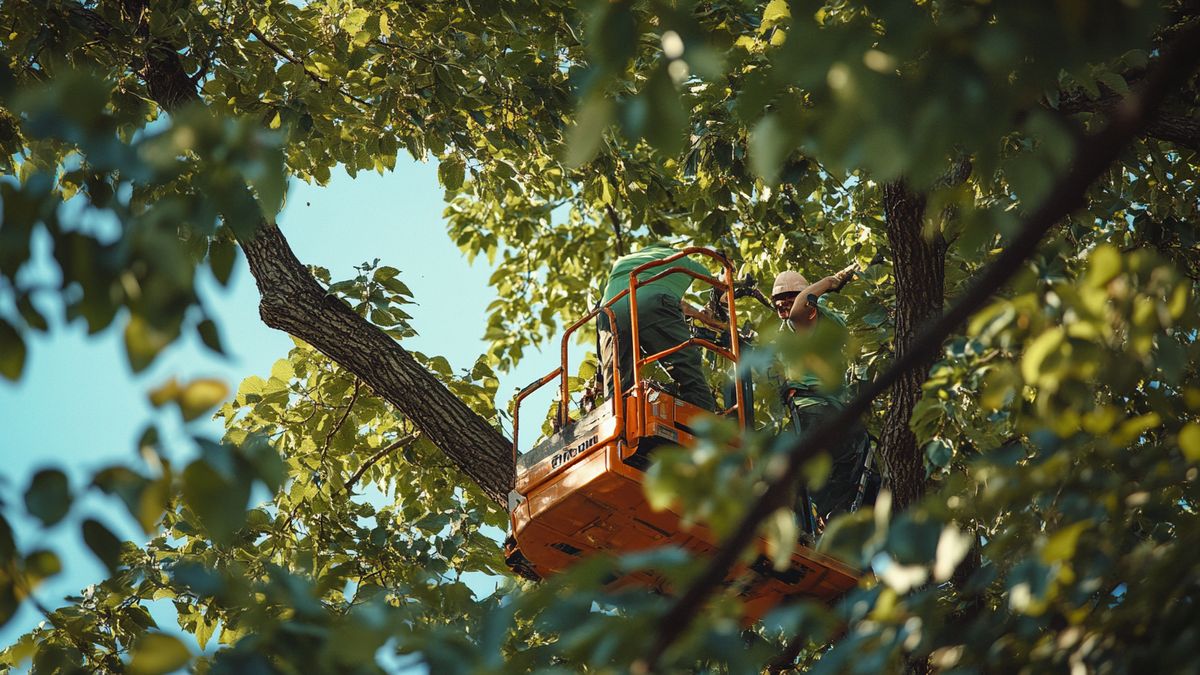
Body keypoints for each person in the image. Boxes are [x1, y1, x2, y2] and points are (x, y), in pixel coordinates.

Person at [771, 267, 866, 523]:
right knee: (846, 475)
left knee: (792, 470)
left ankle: (807, 519)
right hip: (835, 414)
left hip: (815, 409)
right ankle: (834, 518)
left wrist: (829, 282)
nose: (783, 306)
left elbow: (800, 308)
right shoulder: (812, 327)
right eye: (778, 302)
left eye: (789, 299)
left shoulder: (807, 317)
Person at [598, 242, 721, 411]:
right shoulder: (681, 258)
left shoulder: (624, 261)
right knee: (687, 369)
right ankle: (704, 422)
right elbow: (719, 284)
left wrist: (700, 315)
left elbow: (634, 292)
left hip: (610, 311)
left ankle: (619, 422)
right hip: (653, 303)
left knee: (618, 385)